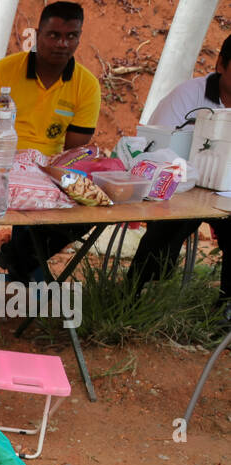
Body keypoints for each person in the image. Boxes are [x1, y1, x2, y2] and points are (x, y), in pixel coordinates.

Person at [0, 1, 101, 296]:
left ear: (79, 36)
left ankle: (20, 257)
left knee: (87, 206)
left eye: (71, 36)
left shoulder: (86, 85)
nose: (62, 44)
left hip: (46, 170)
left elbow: (76, 152)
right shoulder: (4, 71)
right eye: (54, 35)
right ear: (37, 35)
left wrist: (59, 176)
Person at [127, 34, 231, 304]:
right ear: (221, 64)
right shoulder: (187, 96)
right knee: (170, 224)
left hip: (227, 192)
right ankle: (133, 295)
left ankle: (225, 312)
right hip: (182, 188)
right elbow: (157, 148)